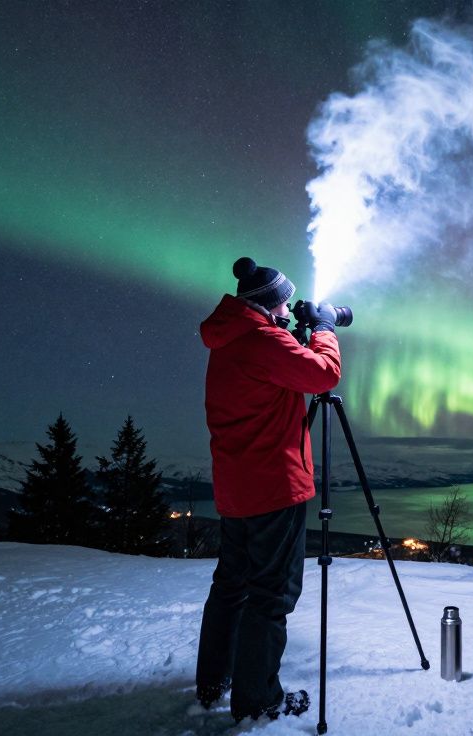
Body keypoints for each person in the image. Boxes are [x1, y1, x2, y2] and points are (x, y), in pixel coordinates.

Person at [194, 256, 341, 722]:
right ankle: (258, 700)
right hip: (275, 487)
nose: (287, 311)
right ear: (271, 304)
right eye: (284, 304)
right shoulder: (262, 340)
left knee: (231, 587)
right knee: (271, 595)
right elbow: (323, 374)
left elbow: (274, 371)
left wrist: (293, 336)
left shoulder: (231, 338)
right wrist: (324, 329)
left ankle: (214, 681)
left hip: (237, 488)